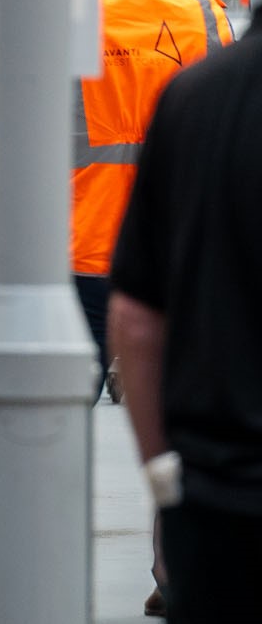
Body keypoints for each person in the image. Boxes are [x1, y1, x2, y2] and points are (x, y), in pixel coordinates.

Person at [110, 37, 262, 624]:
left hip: (222, 498)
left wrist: (166, 482)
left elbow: (138, 322)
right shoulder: (200, 20)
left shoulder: (195, 98)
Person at [72, 0, 232, 380]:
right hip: (177, 247)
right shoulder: (209, 18)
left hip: (81, 247)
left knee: (62, 417)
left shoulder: (59, 14)